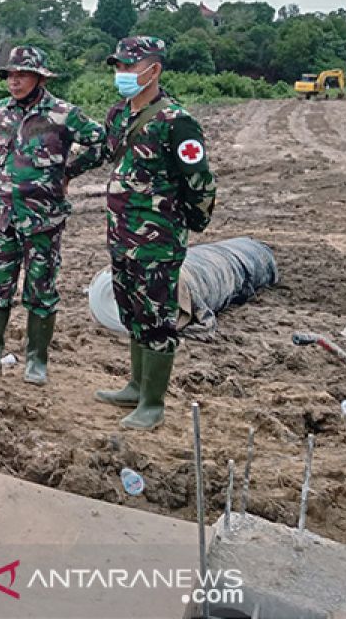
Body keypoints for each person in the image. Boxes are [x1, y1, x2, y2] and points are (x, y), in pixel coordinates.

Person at [89, 36, 216, 430]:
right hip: (122, 235)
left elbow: (200, 183)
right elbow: (108, 156)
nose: (122, 74)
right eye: (118, 67)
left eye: (129, 66)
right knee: (133, 312)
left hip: (158, 240)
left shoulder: (178, 122)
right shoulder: (118, 115)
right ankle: (135, 385)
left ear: (154, 69)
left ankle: (153, 404)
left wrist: (189, 226)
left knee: (158, 318)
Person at [0, 46, 106, 384]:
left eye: (22, 75)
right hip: (4, 219)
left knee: (41, 288)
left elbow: (101, 143)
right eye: (10, 75)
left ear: (40, 77)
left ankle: (36, 361)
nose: (14, 81)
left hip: (44, 219)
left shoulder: (63, 114)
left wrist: (68, 172)